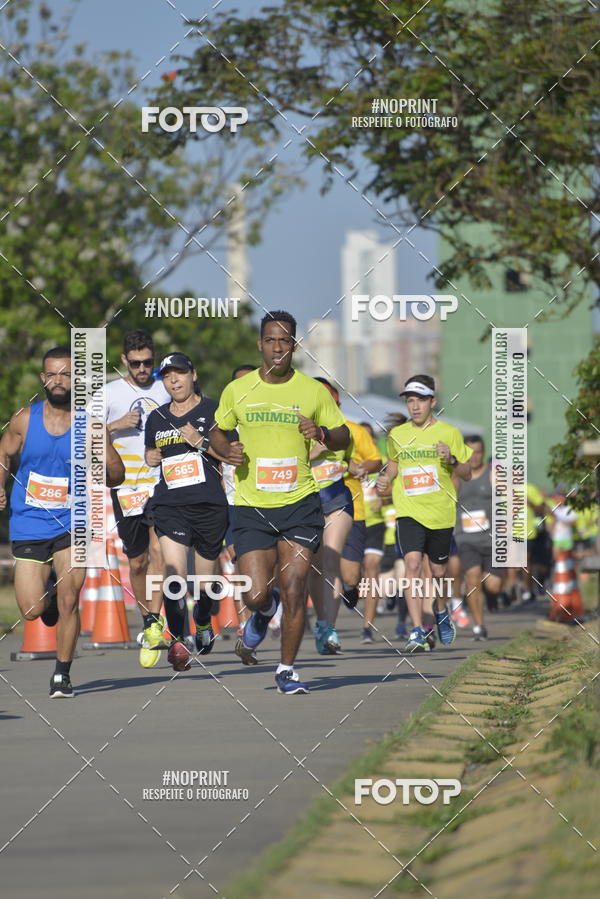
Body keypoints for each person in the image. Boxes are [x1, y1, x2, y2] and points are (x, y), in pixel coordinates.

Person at [210, 311, 349, 694]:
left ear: (294, 346)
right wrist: (227, 453)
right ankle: (262, 612)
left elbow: (342, 436)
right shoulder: (237, 390)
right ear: (260, 344)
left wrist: (319, 431)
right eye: (270, 340)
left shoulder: (312, 391)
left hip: (300, 503)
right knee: (256, 594)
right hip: (252, 506)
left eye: (284, 341)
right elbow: (216, 435)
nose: (277, 347)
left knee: (295, 586)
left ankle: (287, 669)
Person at [0, 347, 124, 697]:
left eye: (66, 374)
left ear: (76, 380)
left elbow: (117, 475)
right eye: (52, 374)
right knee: (32, 610)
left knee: (72, 599)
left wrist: (105, 461)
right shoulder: (24, 418)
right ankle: (49, 596)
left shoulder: (91, 426)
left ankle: (61, 673)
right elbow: (4, 452)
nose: (59, 381)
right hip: (29, 520)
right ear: (43, 379)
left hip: (75, 521)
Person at [144, 353, 229, 671]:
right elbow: (151, 453)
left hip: (209, 506)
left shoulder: (215, 409)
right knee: (173, 574)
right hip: (169, 505)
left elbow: (233, 455)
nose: (174, 380)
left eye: (179, 373)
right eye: (167, 376)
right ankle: (179, 641)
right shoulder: (157, 417)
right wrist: (151, 457)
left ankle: (203, 621)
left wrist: (202, 442)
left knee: (205, 588)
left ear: (193, 375)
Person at [377, 374, 473, 652]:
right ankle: (418, 630)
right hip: (408, 511)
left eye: (420, 400)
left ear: (433, 401)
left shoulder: (450, 433)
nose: (415, 406)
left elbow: (466, 473)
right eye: (410, 401)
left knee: (439, 572)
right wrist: (384, 479)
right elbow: (392, 466)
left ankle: (441, 610)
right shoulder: (398, 435)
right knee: (413, 566)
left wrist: (451, 459)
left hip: (441, 513)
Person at [106, 329, 170, 668]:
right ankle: (147, 619)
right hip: (126, 487)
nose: (143, 369)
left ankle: (156, 620)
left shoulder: (166, 387)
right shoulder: (110, 393)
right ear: (124, 361)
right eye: (136, 364)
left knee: (159, 550)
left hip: (162, 485)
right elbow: (85, 432)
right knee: (137, 562)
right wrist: (117, 424)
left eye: (148, 362)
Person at [454, 435, 503, 640]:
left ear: (484, 453)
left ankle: (491, 597)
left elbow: (510, 498)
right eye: (470, 452)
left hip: (492, 540)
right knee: (472, 578)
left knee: (493, 585)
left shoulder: (493, 475)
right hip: (465, 539)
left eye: (478, 452)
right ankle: (479, 626)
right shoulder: (455, 477)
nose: (474, 457)